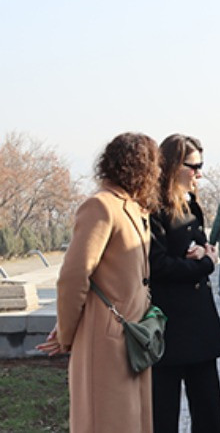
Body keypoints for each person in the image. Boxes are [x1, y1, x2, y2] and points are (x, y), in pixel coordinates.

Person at [36, 132, 161, 433]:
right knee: (106, 421)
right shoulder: (101, 207)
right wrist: (67, 332)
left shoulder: (132, 207)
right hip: (107, 340)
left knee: (129, 420)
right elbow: (73, 276)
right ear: (141, 167)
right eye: (154, 165)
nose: (157, 173)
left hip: (132, 336)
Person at [149, 134, 220, 432]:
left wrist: (204, 254)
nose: (199, 172)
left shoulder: (192, 204)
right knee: (163, 413)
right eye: (193, 166)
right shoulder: (154, 209)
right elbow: (157, 266)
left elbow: (202, 248)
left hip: (199, 323)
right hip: (169, 325)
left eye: (200, 165)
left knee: (209, 412)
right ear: (171, 165)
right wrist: (204, 264)